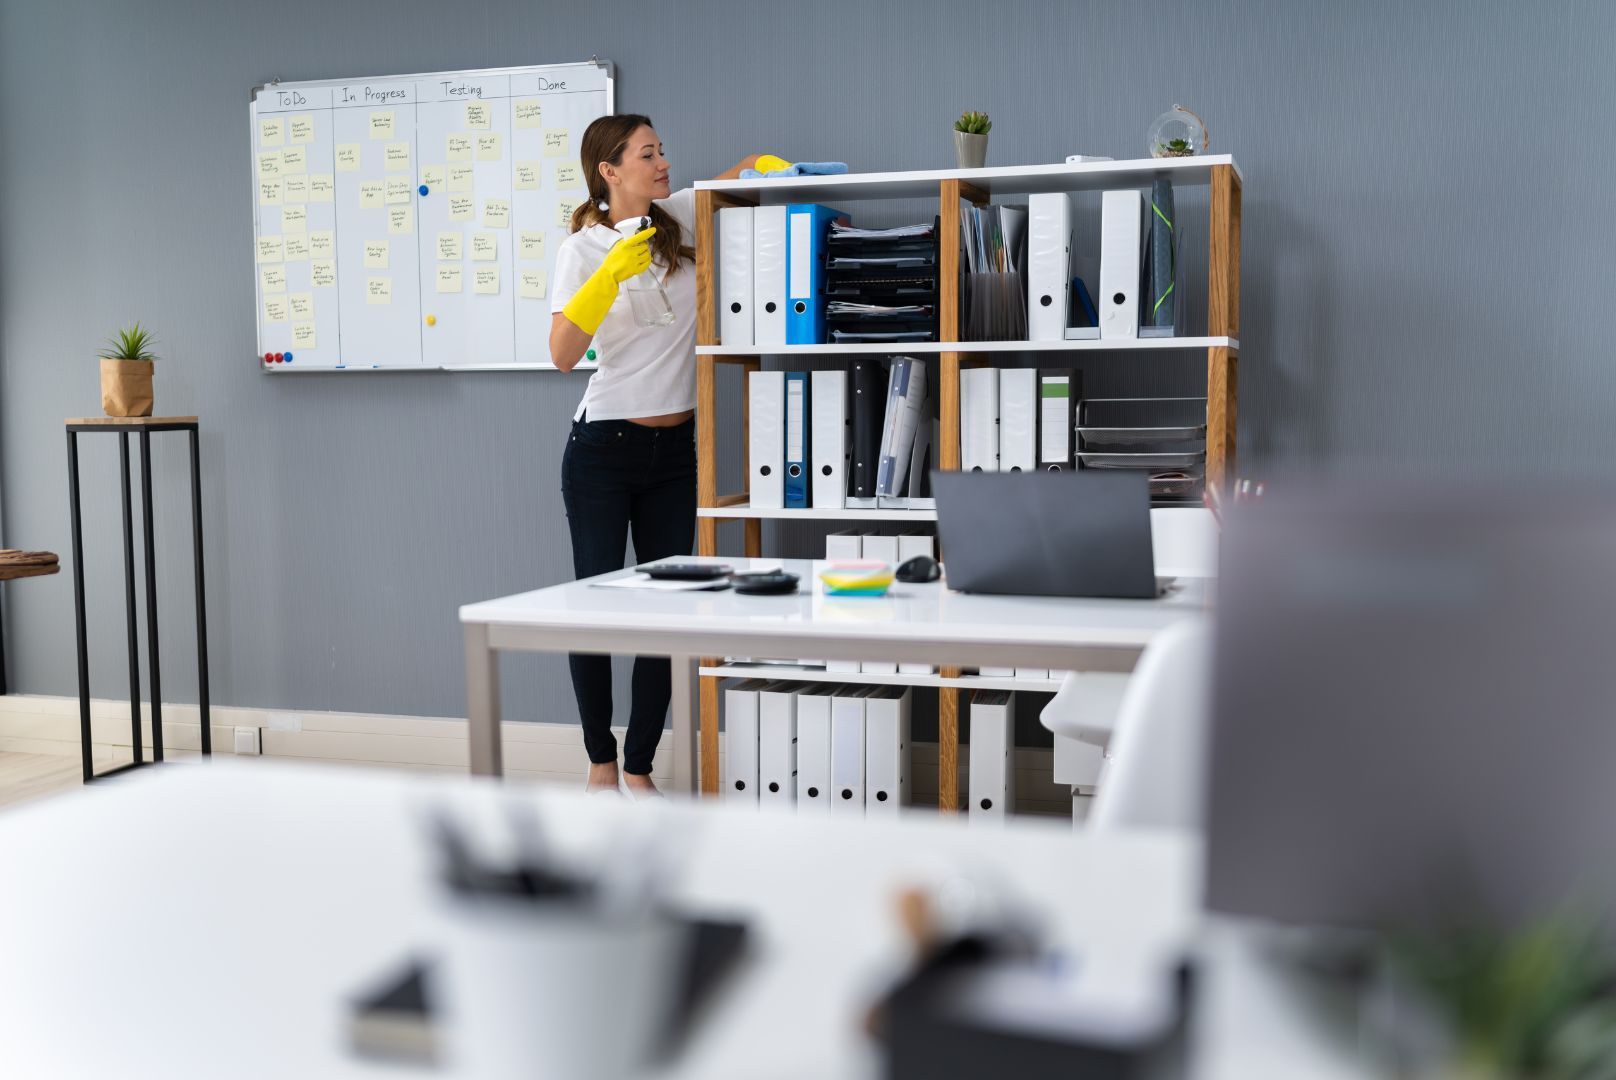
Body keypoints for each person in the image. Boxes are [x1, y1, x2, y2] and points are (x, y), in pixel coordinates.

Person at [550, 114, 787, 797]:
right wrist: (608, 277)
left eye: (663, 151)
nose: (662, 163)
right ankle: (599, 765)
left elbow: (740, 170)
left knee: (662, 612)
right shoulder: (585, 250)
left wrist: (771, 165)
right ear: (609, 170)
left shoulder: (677, 218)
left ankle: (640, 767)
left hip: (675, 452)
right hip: (602, 449)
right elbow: (563, 355)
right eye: (647, 154)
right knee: (595, 607)